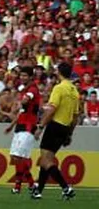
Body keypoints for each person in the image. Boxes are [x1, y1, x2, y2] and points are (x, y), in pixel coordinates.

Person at [31, 62, 81, 200]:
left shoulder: (59, 88)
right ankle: (38, 190)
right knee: (47, 159)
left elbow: (52, 109)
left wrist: (40, 127)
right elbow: (76, 116)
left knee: (46, 160)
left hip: (55, 125)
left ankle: (66, 187)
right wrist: (70, 133)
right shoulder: (74, 91)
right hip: (65, 127)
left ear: (59, 72)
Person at [4, 66, 39, 194]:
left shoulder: (33, 90)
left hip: (29, 126)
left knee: (19, 156)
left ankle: (29, 184)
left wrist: (19, 101)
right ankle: (23, 186)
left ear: (30, 77)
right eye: (21, 75)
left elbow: (25, 101)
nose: (22, 78)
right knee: (15, 157)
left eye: (25, 76)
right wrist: (12, 125)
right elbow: (21, 111)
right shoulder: (25, 90)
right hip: (20, 125)